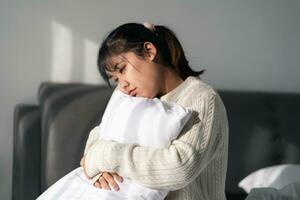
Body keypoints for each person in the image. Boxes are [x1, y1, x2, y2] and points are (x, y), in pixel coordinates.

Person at [81, 22, 229, 200]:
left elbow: (180, 168)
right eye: (116, 79)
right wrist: (98, 171)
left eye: (123, 69)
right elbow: (98, 137)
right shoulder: (134, 99)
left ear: (149, 51)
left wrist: (104, 156)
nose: (123, 85)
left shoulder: (202, 98)